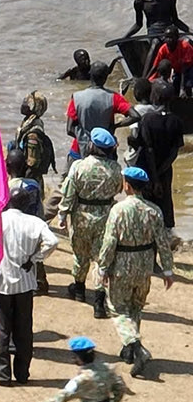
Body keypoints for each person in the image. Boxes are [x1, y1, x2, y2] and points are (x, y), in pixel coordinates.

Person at [0, 179, 58, 387]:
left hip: (2, 281)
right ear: (27, 204)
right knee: (24, 329)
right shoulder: (35, 223)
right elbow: (53, 242)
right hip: (25, 283)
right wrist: (35, 258)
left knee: (2, 328)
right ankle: (23, 373)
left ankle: (2, 374)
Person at [96, 165, 177, 375]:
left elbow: (110, 241)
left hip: (122, 264)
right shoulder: (154, 211)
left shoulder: (118, 210)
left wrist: (103, 267)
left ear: (127, 186)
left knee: (117, 307)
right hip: (145, 265)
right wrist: (167, 270)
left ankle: (137, 347)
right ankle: (129, 350)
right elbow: (163, 242)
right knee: (136, 306)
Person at [57, 127, 122, 309]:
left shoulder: (79, 166)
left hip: (81, 217)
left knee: (80, 255)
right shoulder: (116, 169)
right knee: (103, 258)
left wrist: (62, 214)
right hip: (105, 218)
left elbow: (68, 193)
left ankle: (78, 290)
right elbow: (118, 189)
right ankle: (99, 301)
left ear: (92, 145)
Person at [132, 81, 184, 228]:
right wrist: (161, 171)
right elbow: (174, 151)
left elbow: (148, 149)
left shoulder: (147, 119)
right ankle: (167, 237)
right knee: (165, 202)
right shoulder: (176, 122)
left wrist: (154, 177)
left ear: (155, 97)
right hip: (166, 171)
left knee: (146, 205)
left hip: (148, 170)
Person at [65, 62, 132, 163]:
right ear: (105, 78)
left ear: (90, 75)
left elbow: (70, 129)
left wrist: (83, 138)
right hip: (106, 151)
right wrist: (115, 126)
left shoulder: (77, 97)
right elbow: (135, 116)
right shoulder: (113, 97)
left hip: (80, 150)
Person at [46, 336, 130, 402]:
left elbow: (60, 398)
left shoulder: (81, 380)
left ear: (79, 358)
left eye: (74, 356)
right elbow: (120, 387)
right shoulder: (109, 368)